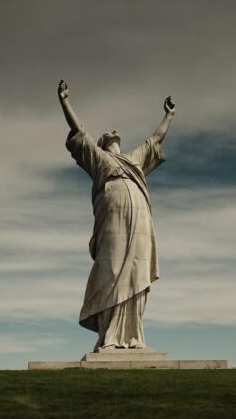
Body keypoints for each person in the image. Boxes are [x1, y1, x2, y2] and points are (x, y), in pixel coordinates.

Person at [58, 80, 175, 351]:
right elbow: (78, 131)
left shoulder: (134, 160)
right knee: (111, 274)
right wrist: (64, 101)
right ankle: (110, 337)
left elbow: (155, 139)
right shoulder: (99, 160)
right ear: (101, 143)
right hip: (113, 225)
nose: (112, 131)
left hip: (141, 225)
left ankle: (134, 338)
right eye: (106, 132)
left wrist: (168, 115)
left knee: (137, 274)